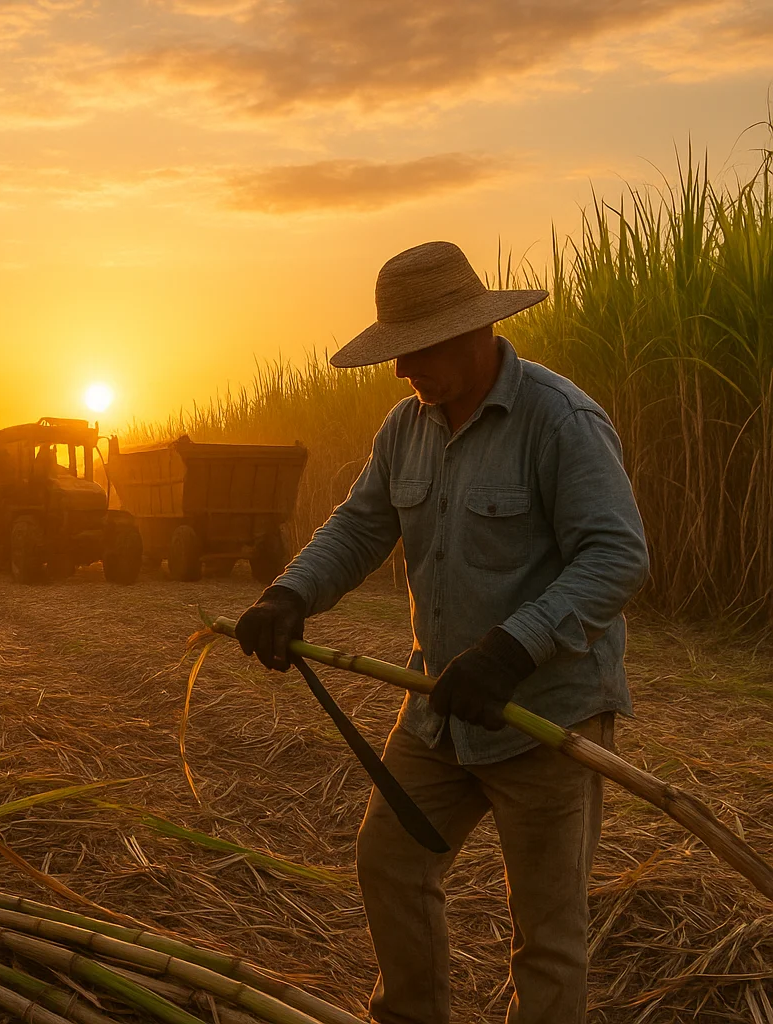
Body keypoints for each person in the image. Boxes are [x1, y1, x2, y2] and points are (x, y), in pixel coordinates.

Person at [234, 241, 649, 1024]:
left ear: (471, 332)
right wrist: (290, 595)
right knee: (389, 863)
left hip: (545, 714)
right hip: (439, 706)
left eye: (411, 351)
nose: (398, 372)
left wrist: (513, 646)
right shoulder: (406, 428)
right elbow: (360, 526)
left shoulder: (558, 420)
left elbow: (617, 555)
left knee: (548, 932)